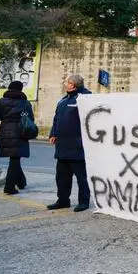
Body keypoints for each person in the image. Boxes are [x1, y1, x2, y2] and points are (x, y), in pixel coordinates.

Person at [46, 74, 92, 212]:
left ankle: (84, 202)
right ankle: (63, 200)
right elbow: (56, 119)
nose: (66, 84)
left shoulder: (86, 98)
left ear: (74, 85)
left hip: (78, 146)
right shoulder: (63, 101)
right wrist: (53, 133)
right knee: (62, 177)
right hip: (62, 146)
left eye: (69, 82)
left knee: (81, 177)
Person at [0, 80, 32, 194]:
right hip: (20, 132)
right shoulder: (25, 103)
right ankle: (9, 187)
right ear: (21, 89)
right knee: (15, 158)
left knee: (14, 158)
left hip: (5, 132)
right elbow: (31, 119)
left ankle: (21, 182)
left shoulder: (1, 102)